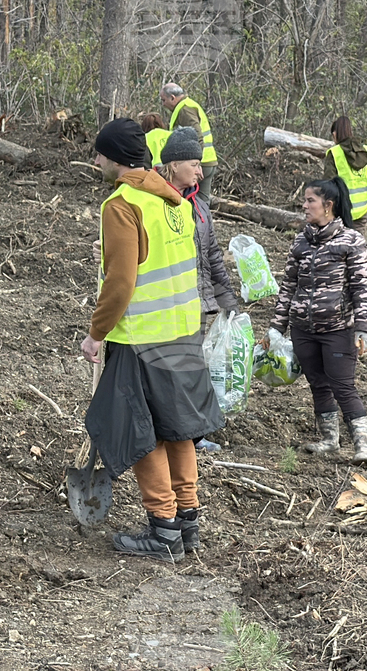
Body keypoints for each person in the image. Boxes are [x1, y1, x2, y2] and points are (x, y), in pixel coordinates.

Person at [81, 118, 224, 563]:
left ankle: (163, 530)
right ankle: (187, 521)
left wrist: (95, 333)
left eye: (100, 153)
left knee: (142, 434)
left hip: (142, 339)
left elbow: (121, 283)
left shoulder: (122, 205)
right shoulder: (176, 203)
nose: (96, 161)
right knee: (179, 430)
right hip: (183, 333)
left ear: (116, 158)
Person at [267, 178, 367, 461]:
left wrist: (363, 328)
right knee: (317, 383)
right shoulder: (301, 241)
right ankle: (329, 440)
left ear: (328, 205)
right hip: (303, 329)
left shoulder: (351, 241)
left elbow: (362, 288)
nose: (304, 206)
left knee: (342, 385)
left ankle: (364, 443)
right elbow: (288, 286)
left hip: (338, 329)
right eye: (304, 200)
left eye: (310, 201)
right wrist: (276, 327)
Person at [158, 126, 239, 453]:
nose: (200, 173)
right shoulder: (155, 203)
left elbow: (213, 256)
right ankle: (171, 434)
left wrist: (227, 301)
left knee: (192, 370)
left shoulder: (200, 207)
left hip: (197, 305)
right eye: (194, 165)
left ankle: (191, 436)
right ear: (174, 164)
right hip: (165, 304)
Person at [160, 83, 218, 204]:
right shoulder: (189, 105)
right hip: (208, 161)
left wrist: (197, 164)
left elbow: (197, 136)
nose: (163, 104)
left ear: (172, 98)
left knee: (187, 202)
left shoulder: (185, 110)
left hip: (200, 164)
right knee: (202, 203)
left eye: (164, 100)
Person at [322, 116, 367, 224]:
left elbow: (328, 185)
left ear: (334, 134)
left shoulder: (334, 153)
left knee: (341, 235)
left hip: (342, 211)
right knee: (360, 235)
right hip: (364, 209)